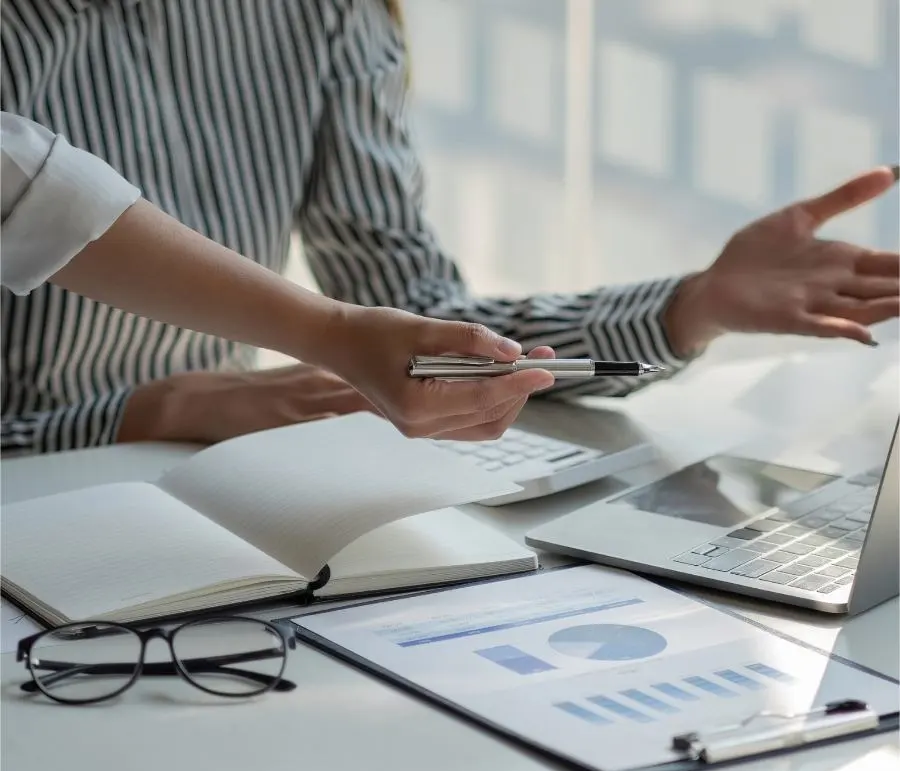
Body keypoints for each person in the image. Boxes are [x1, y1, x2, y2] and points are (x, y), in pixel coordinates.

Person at [1, 0, 897, 454]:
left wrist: (689, 308)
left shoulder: (319, 14)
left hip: (204, 496)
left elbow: (416, 316)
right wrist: (132, 415)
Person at [1, 113, 556, 443]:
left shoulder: (326, 15)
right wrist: (155, 411)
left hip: (233, 455)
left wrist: (638, 321)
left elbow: (411, 316)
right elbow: (35, 193)